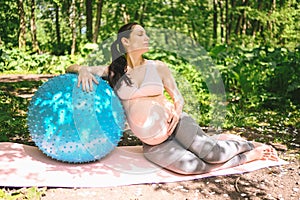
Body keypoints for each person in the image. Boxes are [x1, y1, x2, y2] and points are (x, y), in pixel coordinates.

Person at [66, 22, 278, 175]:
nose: (147, 38)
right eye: (140, 34)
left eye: (146, 34)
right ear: (125, 41)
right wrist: (84, 69)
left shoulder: (158, 67)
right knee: (192, 167)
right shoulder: (113, 72)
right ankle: (239, 154)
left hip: (177, 125)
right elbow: (70, 68)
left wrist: (176, 113)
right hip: (152, 143)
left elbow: (178, 97)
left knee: (213, 154)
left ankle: (247, 147)